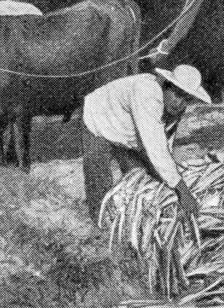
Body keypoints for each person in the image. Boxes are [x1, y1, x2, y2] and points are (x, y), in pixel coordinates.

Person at [81, 64, 211, 220]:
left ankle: (132, 217)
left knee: (138, 177)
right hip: (98, 118)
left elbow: (164, 142)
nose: (179, 103)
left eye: (186, 98)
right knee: (100, 182)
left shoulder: (174, 108)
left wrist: (171, 179)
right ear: (166, 87)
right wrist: (183, 191)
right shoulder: (147, 92)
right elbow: (155, 147)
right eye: (177, 94)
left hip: (127, 130)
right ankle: (99, 225)